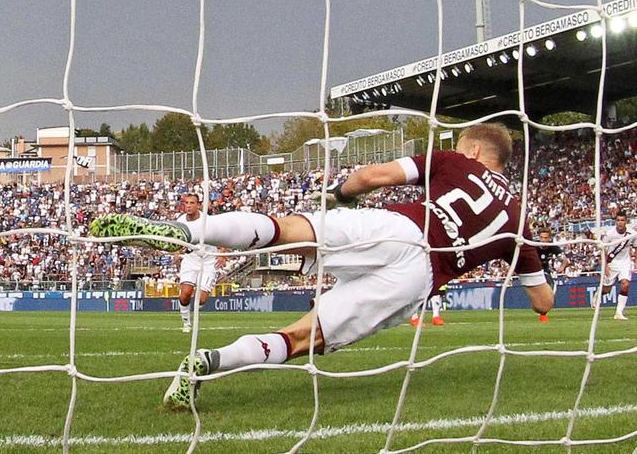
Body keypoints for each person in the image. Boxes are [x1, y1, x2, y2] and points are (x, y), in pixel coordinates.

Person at [90, 123, 553, 410]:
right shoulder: (519, 220)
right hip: (418, 276)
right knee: (302, 338)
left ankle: (185, 231)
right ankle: (208, 364)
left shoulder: (455, 161)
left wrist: (340, 195)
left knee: (290, 229)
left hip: (396, 228)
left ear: (474, 150)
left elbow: (370, 176)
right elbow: (542, 302)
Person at [172, 193, 223, 333]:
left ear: (198, 205)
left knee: (201, 299)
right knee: (185, 294)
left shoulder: (208, 220)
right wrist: (176, 252)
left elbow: (222, 235)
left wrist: (222, 254)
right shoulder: (181, 221)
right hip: (191, 259)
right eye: (186, 203)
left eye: (192, 203)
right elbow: (178, 239)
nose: (188, 206)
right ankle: (186, 323)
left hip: (208, 261)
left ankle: (195, 316)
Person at [594, 210, 637, 320]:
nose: (620, 222)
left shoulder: (631, 233)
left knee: (625, 284)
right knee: (607, 289)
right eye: (618, 220)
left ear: (626, 221)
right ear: (615, 221)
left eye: (622, 220)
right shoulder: (609, 234)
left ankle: (619, 312)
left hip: (625, 263)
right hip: (612, 263)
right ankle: (598, 294)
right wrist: (605, 266)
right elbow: (603, 250)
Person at [535, 228, 563, 323]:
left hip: (545, 271)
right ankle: (541, 310)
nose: (543, 240)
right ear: (539, 237)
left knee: (550, 291)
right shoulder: (533, 245)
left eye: (546, 238)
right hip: (532, 270)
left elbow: (564, 260)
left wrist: (562, 267)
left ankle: (543, 313)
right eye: (542, 237)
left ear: (549, 238)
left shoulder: (553, 247)